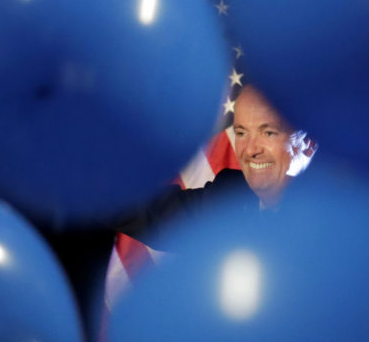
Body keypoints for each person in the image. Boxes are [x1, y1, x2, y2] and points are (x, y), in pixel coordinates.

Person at [117, 85, 316, 246]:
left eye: (269, 133)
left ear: (309, 144)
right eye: (241, 133)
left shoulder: (338, 212)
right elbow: (151, 215)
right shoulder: (229, 196)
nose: (249, 150)